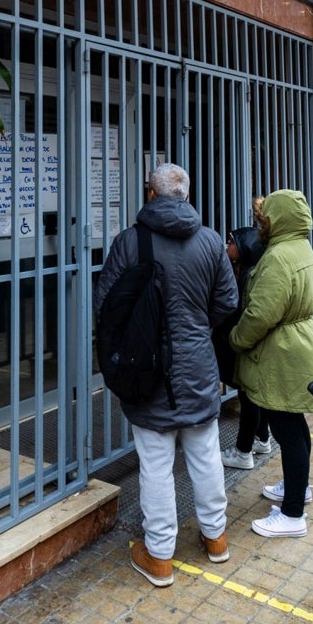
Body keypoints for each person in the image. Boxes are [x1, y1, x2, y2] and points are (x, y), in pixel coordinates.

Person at [94, 162, 239, 587]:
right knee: (206, 453)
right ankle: (216, 538)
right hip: (197, 369)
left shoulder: (130, 241)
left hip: (146, 371)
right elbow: (227, 301)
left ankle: (159, 556)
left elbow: (107, 307)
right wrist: (195, 328)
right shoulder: (211, 242)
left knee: (155, 464)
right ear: (187, 196)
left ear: (150, 194)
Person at [230, 189, 313, 538]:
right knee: (294, 427)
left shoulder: (277, 257)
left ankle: (291, 515)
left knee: (286, 432)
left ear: (277, 220)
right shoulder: (300, 247)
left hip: (282, 354)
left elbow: (260, 314)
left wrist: (236, 339)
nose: (259, 226)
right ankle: (297, 488)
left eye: (263, 219)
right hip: (299, 345)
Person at [214, 224, 274, 468]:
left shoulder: (249, 275)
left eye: (231, 242)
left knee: (248, 397)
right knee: (252, 396)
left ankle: (243, 451)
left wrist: (236, 339)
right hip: (250, 346)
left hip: (244, 345)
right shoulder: (250, 270)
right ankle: (262, 439)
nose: (227, 246)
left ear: (244, 248)